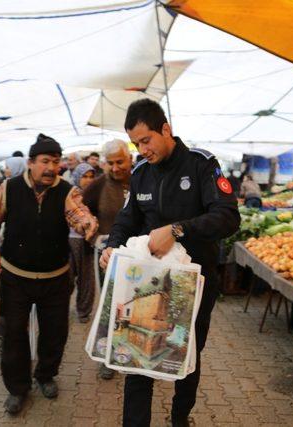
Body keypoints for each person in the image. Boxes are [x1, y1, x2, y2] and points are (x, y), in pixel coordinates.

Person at [99, 99, 240, 427]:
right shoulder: (141, 173)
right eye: (136, 144)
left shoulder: (201, 165)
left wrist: (177, 230)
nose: (142, 149)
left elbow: (228, 216)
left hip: (194, 285)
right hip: (147, 283)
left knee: (186, 357)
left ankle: (180, 417)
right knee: (138, 361)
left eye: (145, 141)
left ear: (166, 129)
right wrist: (112, 245)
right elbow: (127, 218)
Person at [0, 133, 98, 415]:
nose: (51, 168)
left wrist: (87, 224)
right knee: (13, 336)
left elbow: (79, 213)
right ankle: (18, 389)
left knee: (55, 333)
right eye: (45, 161)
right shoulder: (9, 188)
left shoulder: (66, 191)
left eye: (56, 162)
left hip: (55, 279)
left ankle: (45, 375)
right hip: (15, 278)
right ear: (31, 163)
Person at [83, 138, 132, 381]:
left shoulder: (143, 178)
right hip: (108, 254)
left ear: (130, 158)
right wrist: (91, 231)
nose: (115, 168)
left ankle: (134, 353)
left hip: (139, 254)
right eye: (110, 163)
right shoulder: (98, 185)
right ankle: (108, 357)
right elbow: (82, 209)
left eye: (120, 162)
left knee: (135, 304)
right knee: (110, 305)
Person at [68, 163, 97, 323]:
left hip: (88, 241)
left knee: (86, 278)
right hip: (69, 239)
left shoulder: (95, 194)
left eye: (91, 176)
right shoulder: (70, 194)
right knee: (67, 276)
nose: (88, 180)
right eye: (84, 176)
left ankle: (84, 311)